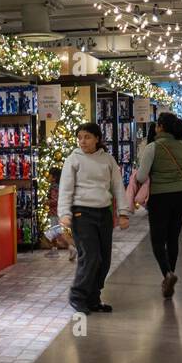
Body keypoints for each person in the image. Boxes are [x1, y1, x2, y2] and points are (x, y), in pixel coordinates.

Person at [57, 122, 128, 313]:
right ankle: (77, 295)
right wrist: (64, 213)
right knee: (91, 256)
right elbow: (65, 188)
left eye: (87, 137)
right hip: (82, 213)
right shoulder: (73, 159)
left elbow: (118, 187)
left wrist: (123, 213)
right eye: (79, 137)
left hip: (103, 213)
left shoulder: (108, 160)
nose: (82, 141)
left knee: (104, 259)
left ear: (97, 138)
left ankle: (93, 298)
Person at [135, 112, 182, 298]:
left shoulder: (153, 147)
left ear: (161, 127)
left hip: (160, 197)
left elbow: (141, 176)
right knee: (173, 238)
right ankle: (169, 276)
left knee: (157, 240)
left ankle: (167, 274)